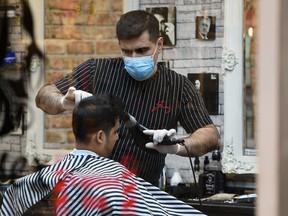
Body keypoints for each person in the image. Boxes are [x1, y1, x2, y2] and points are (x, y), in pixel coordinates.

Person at [35, 10, 220, 186]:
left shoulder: (178, 86)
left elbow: (211, 136)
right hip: (93, 188)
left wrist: (176, 146)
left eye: (141, 50)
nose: (133, 58)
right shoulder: (96, 71)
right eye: (126, 51)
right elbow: (43, 96)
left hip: (144, 194)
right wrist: (61, 102)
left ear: (160, 45)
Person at [0, 94, 204, 215]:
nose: (117, 138)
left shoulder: (42, 178)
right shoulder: (114, 182)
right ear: (100, 136)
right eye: (116, 131)